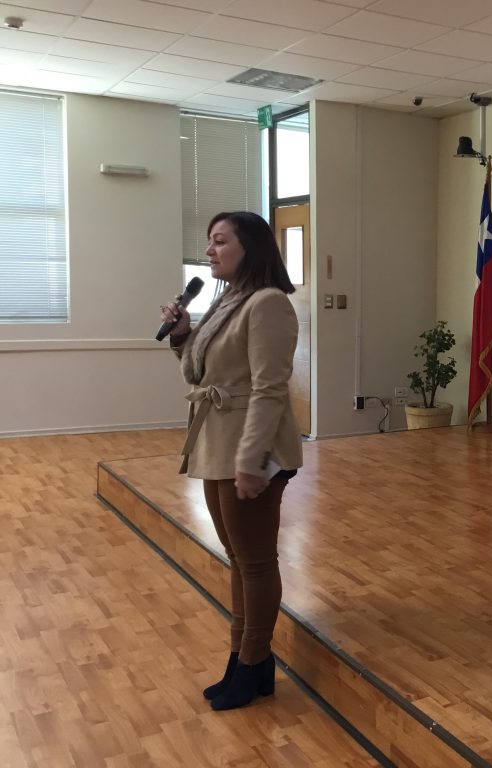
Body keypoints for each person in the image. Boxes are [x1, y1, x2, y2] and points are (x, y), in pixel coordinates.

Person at [160, 211, 302, 711]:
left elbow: (270, 389)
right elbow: (198, 373)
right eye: (209, 241)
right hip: (218, 441)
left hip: (250, 448)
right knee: (239, 558)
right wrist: (183, 334)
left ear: (251, 247)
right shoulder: (227, 300)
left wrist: (252, 460)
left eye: (220, 241)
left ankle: (254, 661)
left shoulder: (268, 304)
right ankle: (245, 661)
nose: (209, 251)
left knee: (256, 561)